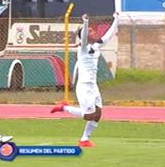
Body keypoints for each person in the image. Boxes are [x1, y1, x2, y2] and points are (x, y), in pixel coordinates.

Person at [51, 12, 119, 147]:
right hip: (84, 86)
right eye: (90, 31)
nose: (94, 33)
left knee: (98, 114)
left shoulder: (96, 45)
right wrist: (86, 23)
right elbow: (83, 38)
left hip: (93, 86)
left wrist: (117, 19)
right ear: (85, 35)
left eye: (93, 30)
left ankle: (84, 139)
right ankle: (64, 108)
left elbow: (109, 35)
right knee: (89, 115)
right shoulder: (82, 48)